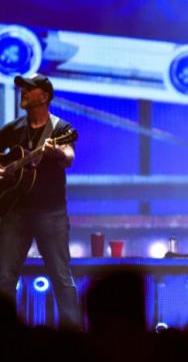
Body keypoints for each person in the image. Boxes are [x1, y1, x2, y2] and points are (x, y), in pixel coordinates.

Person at [0, 73, 81, 328]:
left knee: (61, 278)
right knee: (4, 277)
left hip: (51, 214)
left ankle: (73, 338)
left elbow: (68, 156)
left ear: (44, 96)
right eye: (22, 88)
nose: (23, 92)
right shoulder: (13, 129)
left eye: (29, 89)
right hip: (16, 212)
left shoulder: (60, 129)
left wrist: (56, 151)